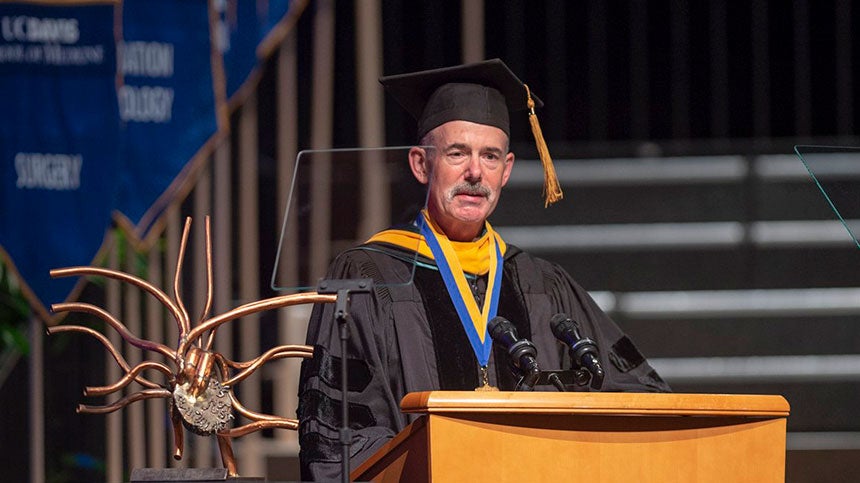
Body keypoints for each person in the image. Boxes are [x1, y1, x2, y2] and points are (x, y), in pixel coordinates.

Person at [297, 59, 670, 481]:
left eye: (489, 156)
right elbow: (337, 436)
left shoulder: (541, 283)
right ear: (421, 164)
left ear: (506, 170)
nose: (475, 172)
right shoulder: (369, 274)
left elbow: (640, 394)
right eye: (457, 153)